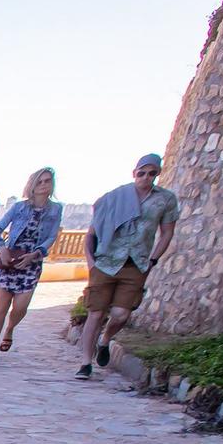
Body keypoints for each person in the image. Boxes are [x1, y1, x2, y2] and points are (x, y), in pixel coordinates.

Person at [76, 154, 180, 380]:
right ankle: (85, 363)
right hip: (106, 261)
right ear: (134, 173)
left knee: (121, 314)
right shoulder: (115, 197)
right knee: (95, 312)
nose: (145, 177)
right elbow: (92, 233)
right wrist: (91, 263)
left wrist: (153, 259)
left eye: (151, 173)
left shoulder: (165, 200)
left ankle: (105, 340)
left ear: (157, 174)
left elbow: (167, 232)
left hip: (136, 262)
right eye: (141, 173)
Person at [0, 167, 62, 358]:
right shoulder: (19, 207)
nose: (43, 185)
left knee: (21, 307)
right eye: (40, 181)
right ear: (32, 185)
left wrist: (35, 254)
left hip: (31, 262)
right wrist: (1, 248)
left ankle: (9, 329)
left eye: (47, 181)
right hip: (10, 259)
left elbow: (51, 236)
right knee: (1, 307)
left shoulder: (55, 209)